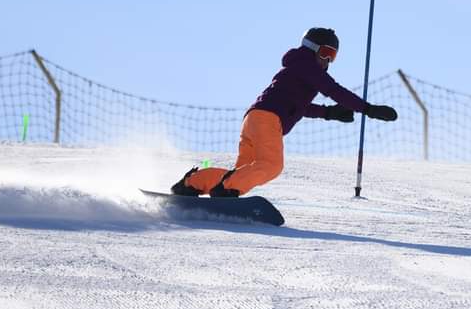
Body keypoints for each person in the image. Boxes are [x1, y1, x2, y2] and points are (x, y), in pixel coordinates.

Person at [171, 27, 398, 197]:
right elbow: (333, 90)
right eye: (326, 53)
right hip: (267, 120)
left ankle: (193, 183)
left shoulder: (298, 68)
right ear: (312, 48)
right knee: (271, 166)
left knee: (242, 173)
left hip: (254, 119)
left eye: (333, 56)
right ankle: (224, 190)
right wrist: (368, 109)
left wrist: (329, 113)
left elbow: (298, 106)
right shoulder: (307, 66)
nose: (328, 61)